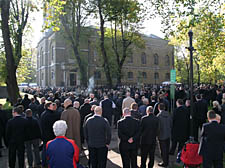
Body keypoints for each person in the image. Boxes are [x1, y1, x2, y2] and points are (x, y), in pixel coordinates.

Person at [40, 102, 60, 167]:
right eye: (52, 105)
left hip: (45, 135)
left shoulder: (43, 114)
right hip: (51, 135)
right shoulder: (52, 115)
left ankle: (44, 162)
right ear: (48, 107)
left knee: (45, 149)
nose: (53, 106)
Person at [157, 103, 172, 167]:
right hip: (168, 134)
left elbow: (158, 127)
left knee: (163, 150)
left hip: (161, 135)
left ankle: (164, 162)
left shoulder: (158, 116)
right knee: (167, 149)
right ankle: (167, 161)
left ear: (158, 108)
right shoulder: (168, 114)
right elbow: (171, 124)